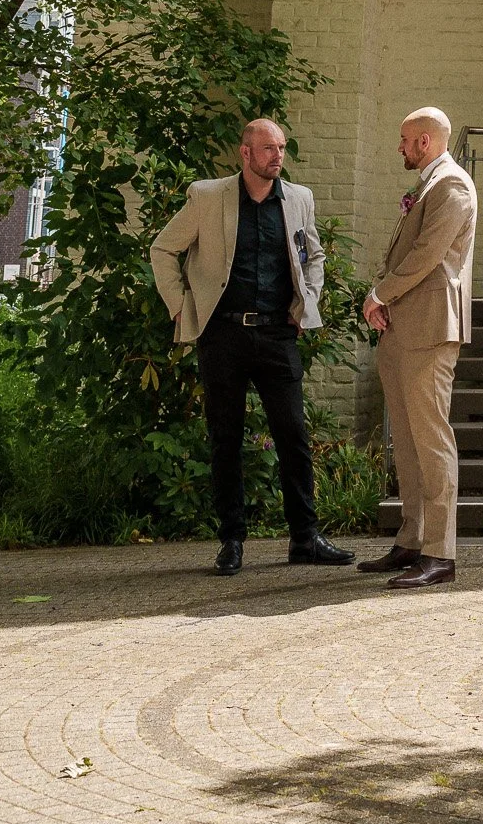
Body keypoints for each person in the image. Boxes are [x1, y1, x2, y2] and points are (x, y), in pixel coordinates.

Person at [150, 117, 355, 577]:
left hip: (278, 333)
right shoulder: (208, 197)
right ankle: (232, 541)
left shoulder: (299, 199)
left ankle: (305, 538)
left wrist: (307, 302)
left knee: (294, 436)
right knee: (225, 438)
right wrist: (180, 306)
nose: (278, 155)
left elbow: (314, 255)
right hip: (222, 334)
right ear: (245, 153)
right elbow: (162, 249)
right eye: (268, 148)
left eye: (281, 147)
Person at [358, 106, 478, 590]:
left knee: (431, 439)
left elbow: (427, 255)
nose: (400, 148)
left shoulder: (452, 185)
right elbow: (404, 253)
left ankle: (439, 553)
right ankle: (411, 539)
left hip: (430, 327)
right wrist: (384, 300)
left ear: (425, 142)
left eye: (406, 140)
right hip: (402, 325)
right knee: (405, 441)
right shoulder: (430, 184)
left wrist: (379, 294)